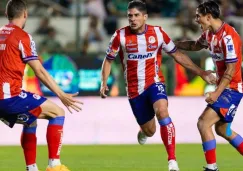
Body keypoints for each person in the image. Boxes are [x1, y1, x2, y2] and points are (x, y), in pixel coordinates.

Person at [99, 1, 216, 171]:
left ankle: (172, 162)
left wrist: (201, 72)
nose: (132, 19)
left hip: (155, 82)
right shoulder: (120, 36)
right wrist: (104, 83)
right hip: (133, 90)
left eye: (136, 15)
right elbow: (108, 60)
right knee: (150, 130)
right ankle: (143, 131)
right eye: (130, 16)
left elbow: (177, 54)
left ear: (145, 17)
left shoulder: (158, 33)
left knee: (162, 111)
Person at [0, 1, 82, 171]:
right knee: (57, 113)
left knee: (31, 121)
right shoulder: (23, 37)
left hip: (4, 99)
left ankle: (31, 168)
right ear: (25, 14)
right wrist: (61, 94)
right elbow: (39, 71)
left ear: (7, 15)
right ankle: (54, 165)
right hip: (10, 98)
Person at [175, 1, 243, 170]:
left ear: (209, 16)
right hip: (226, 88)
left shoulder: (228, 37)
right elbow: (195, 46)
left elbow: (231, 68)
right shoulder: (209, 35)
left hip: (232, 88)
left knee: (203, 123)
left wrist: (216, 93)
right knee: (223, 130)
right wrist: (173, 45)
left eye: (199, 16)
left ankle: (212, 167)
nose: (196, 20)